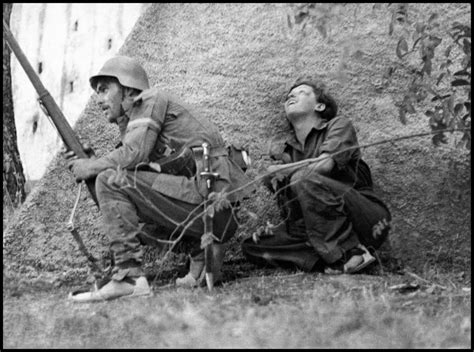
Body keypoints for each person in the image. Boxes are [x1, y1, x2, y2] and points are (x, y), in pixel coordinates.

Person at [66, 56, 252, 302]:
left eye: (104, 89)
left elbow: (132, 154)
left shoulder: (150, 99)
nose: (98, 99)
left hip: (211, 204)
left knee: (111, 181)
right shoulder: (137, 124)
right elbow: (138, 172)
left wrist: (91, 166)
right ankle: (198, 252)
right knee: (117, 199)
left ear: (129, 88)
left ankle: (130, 278)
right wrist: (92, 162)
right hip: (207, 209)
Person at [241, 77, 391, 274]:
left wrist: (279, 171)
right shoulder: (289, 152)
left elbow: (324, 165)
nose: (292, 96)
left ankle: (352, 251)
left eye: (302, 93)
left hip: (363, 218)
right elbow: (296, 215)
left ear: (320, 105)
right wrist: (278, 228)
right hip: (318, 230)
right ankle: (331, 260)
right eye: (289, 96)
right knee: (253, 246)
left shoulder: (338, 125)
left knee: (304, 177)